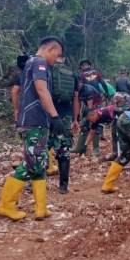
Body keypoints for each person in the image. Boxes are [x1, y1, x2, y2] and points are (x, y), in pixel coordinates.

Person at [0, 37, 64, 221]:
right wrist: (55, 116)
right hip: (35, 121)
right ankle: (5, 205)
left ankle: (41, 208)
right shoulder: (40, 63)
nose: (56, 60)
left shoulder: (31, 63)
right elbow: (42, 90)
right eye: (56, 55)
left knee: (39, 162)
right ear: (50, 49)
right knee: (31, 162)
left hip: (33, 121)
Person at [47, 59, 81, 193]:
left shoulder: (46, 70)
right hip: (65, 117)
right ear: (64, 58)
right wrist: (75, 119)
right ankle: (63, 186)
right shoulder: (72, 74)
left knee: (42, 148)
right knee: (64, 150)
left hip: (48, 115)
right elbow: (76, 98)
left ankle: (36, 182)